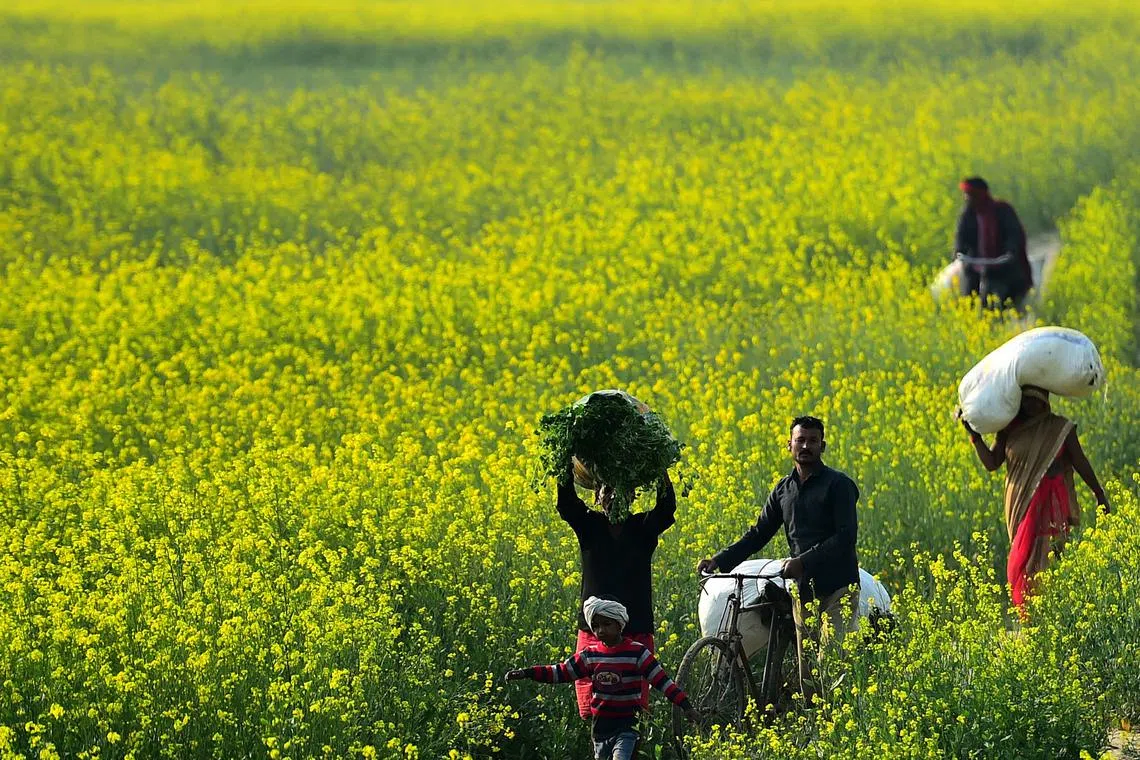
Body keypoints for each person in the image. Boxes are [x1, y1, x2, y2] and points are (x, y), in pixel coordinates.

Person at [696, 416, 859, 702]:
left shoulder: (839, 485)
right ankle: (814, 722)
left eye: (812, 441)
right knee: (806, 663)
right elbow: (758, 533)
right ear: (789, 445)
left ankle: (839, 717)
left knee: (830, 659)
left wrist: (803, 561)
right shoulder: (784, 489)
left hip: (839, 586)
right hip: (803, 587)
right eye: (800, 440)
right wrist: (719, 561)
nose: (806, 446)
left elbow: (845, 536)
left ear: (823, 446)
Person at [960, 385, 1109, 609]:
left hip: (1053, 502)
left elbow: (1080, 462)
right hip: (1021, 502)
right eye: (1026, 399)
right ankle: (1030, 615)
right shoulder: (1009, 429)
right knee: (1022, 559)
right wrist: (974, 435)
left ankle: (1053, 610)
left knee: (1051, 556)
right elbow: (992, 463)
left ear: (1045, 401)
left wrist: (1100, 494)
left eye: (1035, 399)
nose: (1030, 404)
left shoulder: (1060, 428)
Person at [505, 596, 700, 760]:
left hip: (628, 726)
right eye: (596, 626)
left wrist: (686, 706)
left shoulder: (637, 653)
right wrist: (527, 672)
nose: (600, 630)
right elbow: (561, 672)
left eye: (607, 624)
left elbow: (663, 682)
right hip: (600, 728)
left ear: (620, 624)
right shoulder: (589, 655)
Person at [557, 458, 676, 719]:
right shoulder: (589, 526)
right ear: (597, 496)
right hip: (593, 634)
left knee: (632, 713)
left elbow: (666, 510)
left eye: (621, 491)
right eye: (607, 491)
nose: (614, 498)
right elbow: (566, 505)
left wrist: (660, 469)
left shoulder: (642, 528)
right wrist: (564, 461)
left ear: (632, 496)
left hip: (635, 633)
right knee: (593, 712)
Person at [954, 177, 1033, 311]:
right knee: (969, 299)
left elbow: (1014, 233)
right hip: (975, 265)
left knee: (1005, 299)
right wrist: (959, 251)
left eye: (971, 195)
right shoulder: (967, 215)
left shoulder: (1002, 210)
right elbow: (961, 236)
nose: (967, 198)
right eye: (966, 195)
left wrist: (1010, 252)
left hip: (1001, 265)